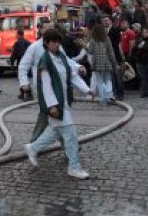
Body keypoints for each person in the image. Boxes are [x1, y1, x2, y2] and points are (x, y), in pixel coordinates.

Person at [24, 29, 95, 179]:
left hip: (64, 101)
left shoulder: (61, 57)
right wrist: (52, 106)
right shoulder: (45, 62)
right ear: (46, 43)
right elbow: (46, 86)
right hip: (56, 105)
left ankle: (33, 148)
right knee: (70, 136)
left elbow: (73, 75)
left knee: (54, 132)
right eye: (54, 42)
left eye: (58, 42)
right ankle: (74, 167)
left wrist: (87, 90)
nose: (57, 44)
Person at [87, 24, 118, 104]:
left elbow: (90, 51)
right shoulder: (107, 38)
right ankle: (109, 94)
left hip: (96, 63)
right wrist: (114, 63)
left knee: (100, 81)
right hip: (106, 62)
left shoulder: (93, 39)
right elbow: (111, 52)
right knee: (108, 80)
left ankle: (103, 99)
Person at [102, 15, 124, 100]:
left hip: (115, 56)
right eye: (103, 21)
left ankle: (120, 94)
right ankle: (113, 94)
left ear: (110, 21)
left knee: (118, 77)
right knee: (111, 78)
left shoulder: (116, 30)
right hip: (106, 58)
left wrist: (106, 43)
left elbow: (116, 43)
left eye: (106, 20)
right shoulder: (102, 31)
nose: (105, 22)